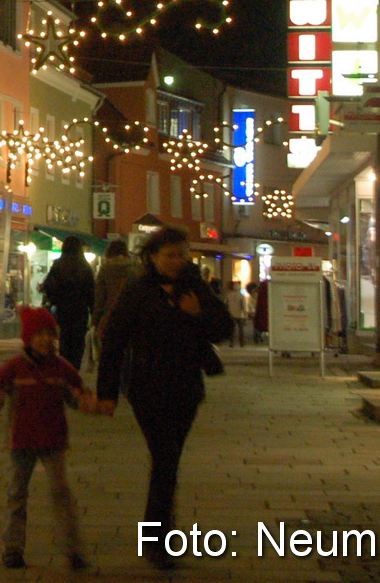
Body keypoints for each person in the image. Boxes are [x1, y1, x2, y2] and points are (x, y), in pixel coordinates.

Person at [92, 226, 232, 570]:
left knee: (168, 460)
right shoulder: (137, 289)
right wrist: (107, 393)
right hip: (147, 386)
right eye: (169, 255)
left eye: (181, 254)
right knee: (165, 458)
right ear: (152, 256)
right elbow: (114, 341)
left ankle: (160, 535)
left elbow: (223, 329)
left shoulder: (195, 287)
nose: (176, 261)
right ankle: (158, 542)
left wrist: (198, 313)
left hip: (186, 386)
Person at [0, 305, 92, 574]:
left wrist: (92, 403)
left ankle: (73, 550)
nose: (44, 339)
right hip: (22, 440)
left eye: (49, 334)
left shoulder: (61, 368)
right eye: (38, 334)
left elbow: (77, 392)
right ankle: (12, 548)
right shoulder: (15, 368)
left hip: (53, 439)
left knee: (61, 494)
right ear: (28, 338)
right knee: (17, 494)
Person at [38, 244, 96, 368]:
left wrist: (54, 299)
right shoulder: (85, 267)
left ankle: (65, 366)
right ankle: (75, 367)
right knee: (78, 342)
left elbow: (48, 285)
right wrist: (93, 312)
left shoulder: (58, 265)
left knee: (65, 339)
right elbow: (91, 291)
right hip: (80, 311)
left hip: (63, 309)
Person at [91, 239, 139, 336]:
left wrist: (95, 320)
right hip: (131, 317)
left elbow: (100, 298)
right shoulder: (134, 270)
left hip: (109, 316)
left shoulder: (105, 269)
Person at [226, 282, 251, 346]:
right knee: (241, 329)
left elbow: (225, 304)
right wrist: (245, 314)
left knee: (232, 329)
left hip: (231, 313)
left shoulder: (229, 295)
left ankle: (231, 342)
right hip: (240, 314)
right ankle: (241, 342)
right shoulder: (241, 296)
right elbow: (244, 306)